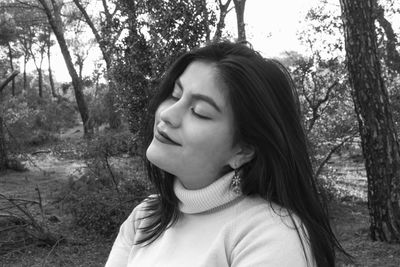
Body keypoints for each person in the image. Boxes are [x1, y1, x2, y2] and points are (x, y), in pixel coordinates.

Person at [105, 41, 348, 267]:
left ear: (243, 150)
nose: (168, 114)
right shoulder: (146, 217)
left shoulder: (271, 234)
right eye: (175, 95)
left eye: (199, 112)